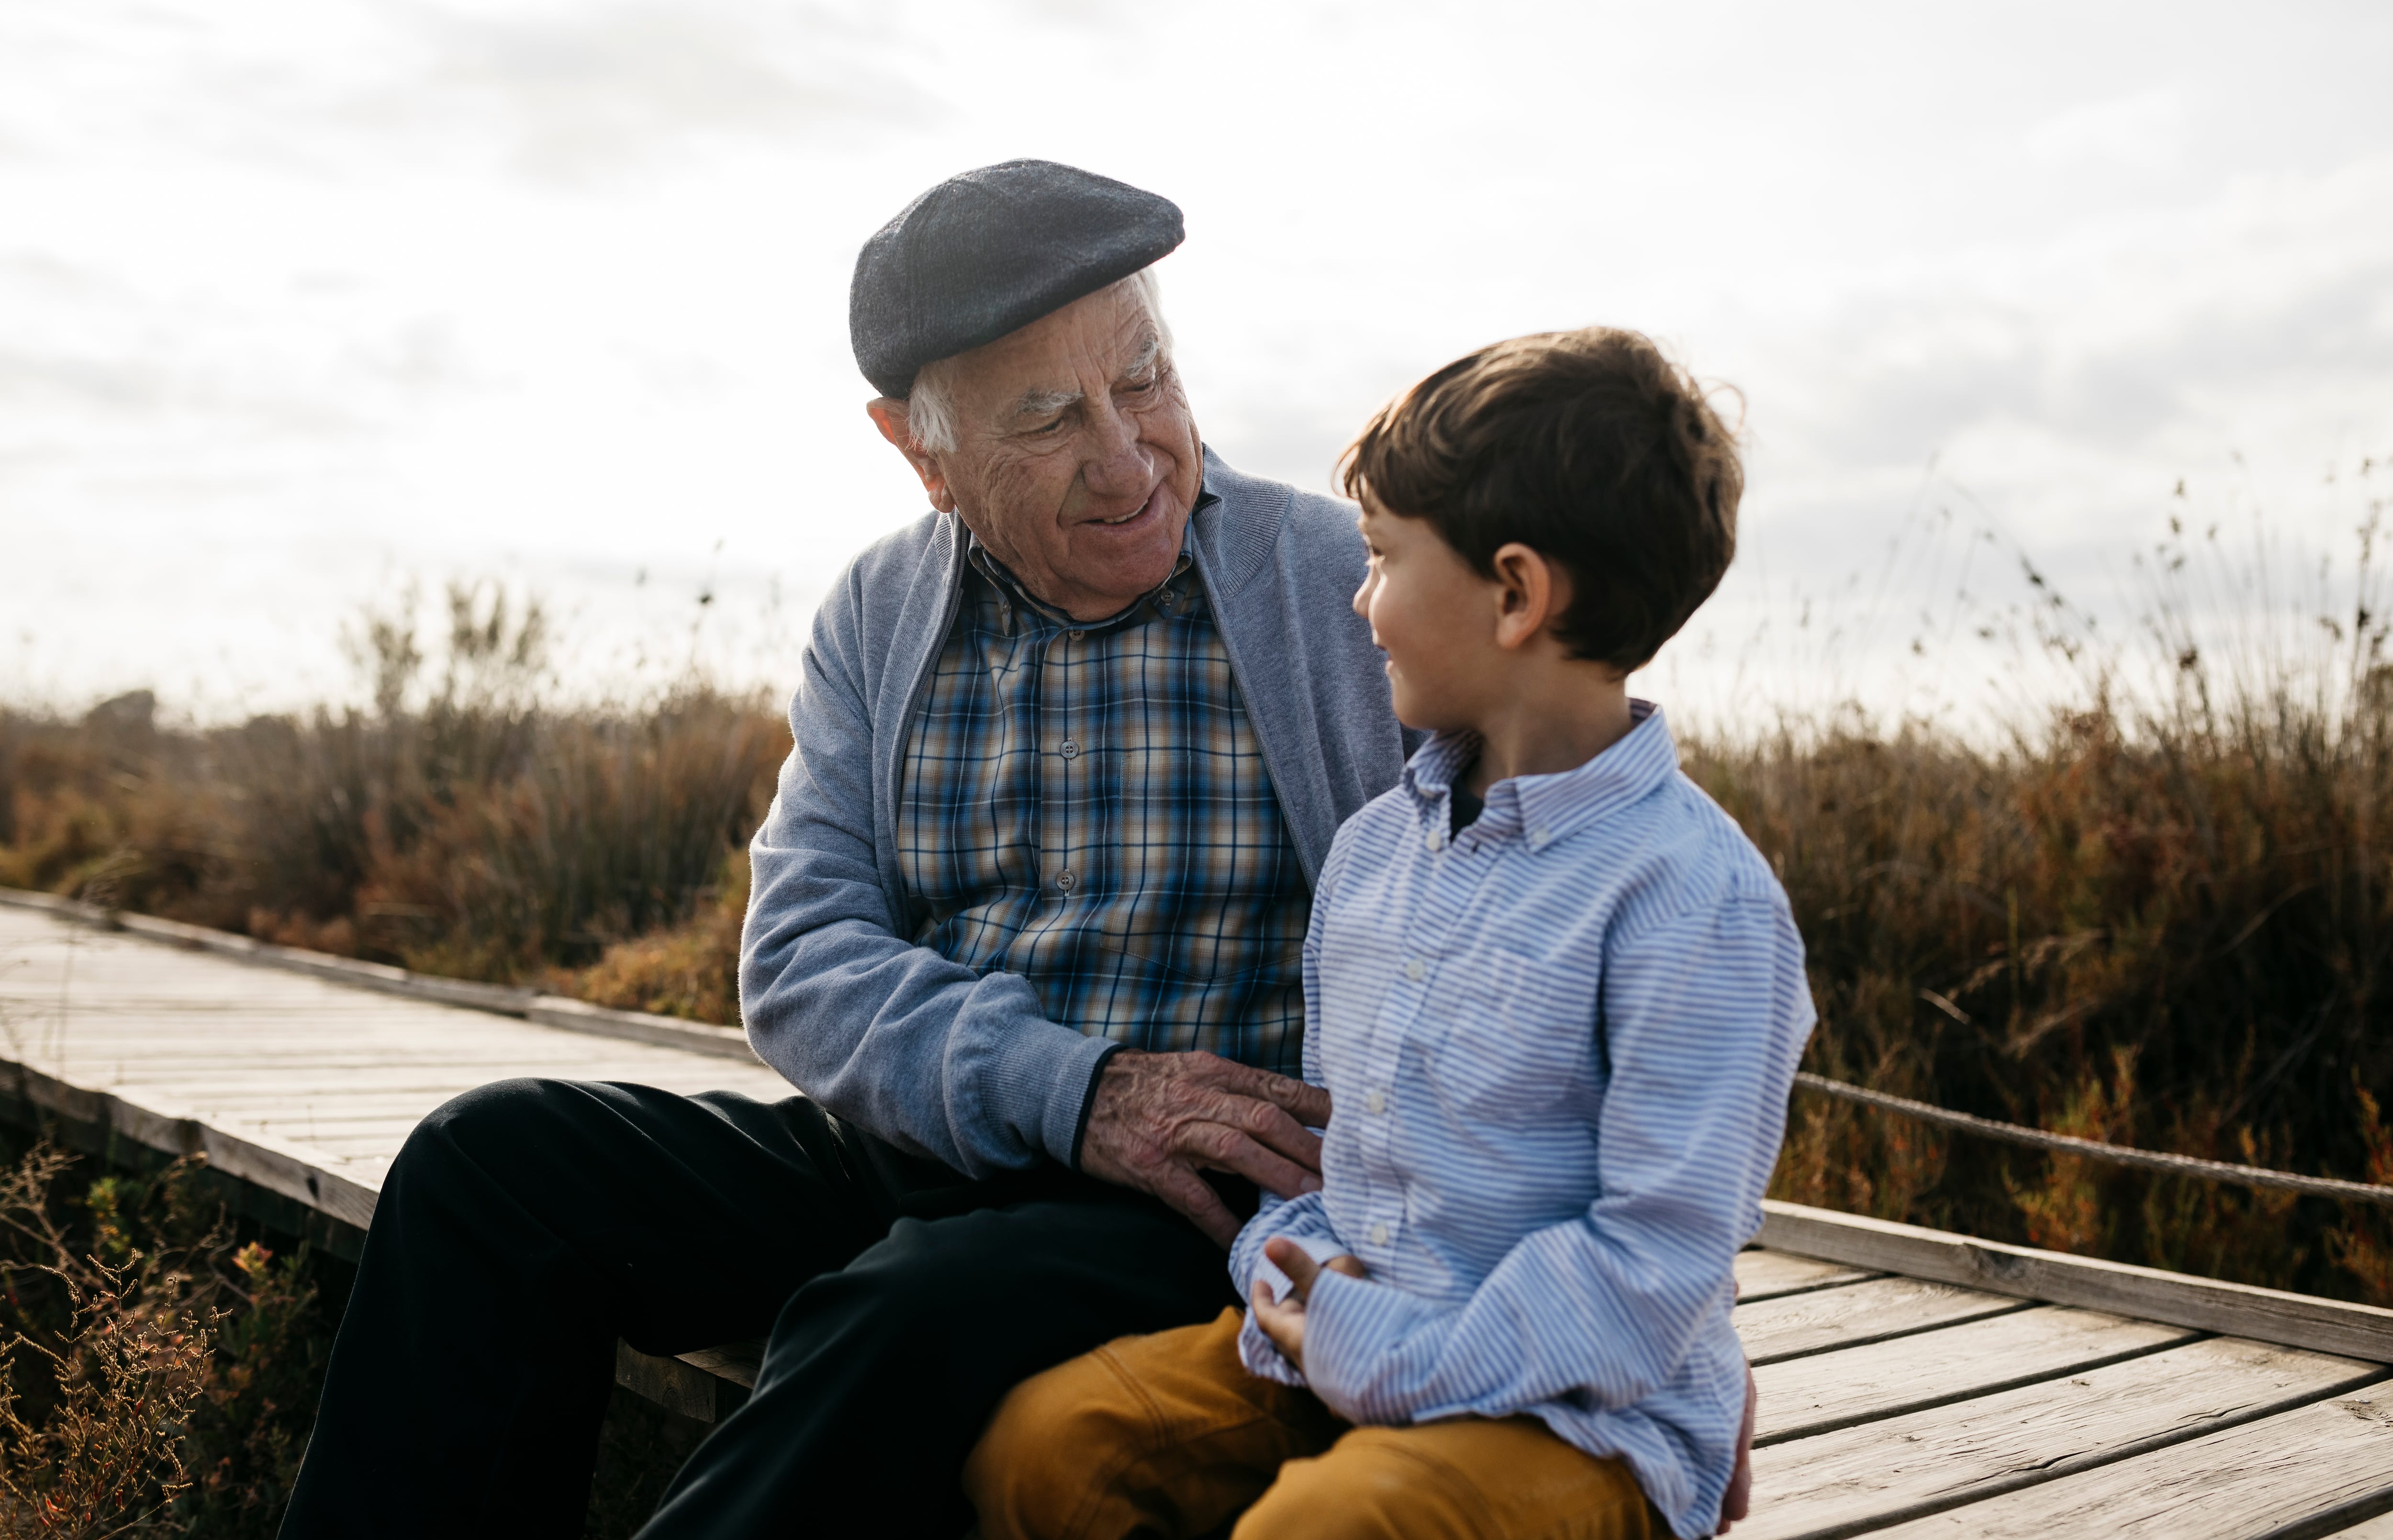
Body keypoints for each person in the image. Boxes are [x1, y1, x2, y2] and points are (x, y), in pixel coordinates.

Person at [278, 161, 1409, 1539]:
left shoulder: (1339, 586)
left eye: (1145, 378)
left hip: (1192, 1200)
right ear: (917, 448)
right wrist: (1074, 1083)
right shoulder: (880, 609)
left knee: (909, 1308)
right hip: (923, 1140)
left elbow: (1517, 892)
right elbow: (802, 958)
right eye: (1049, 417)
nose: (1125, 454)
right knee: (489, 1164)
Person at [963, 328, 1815, 1540]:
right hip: (1340, 1344)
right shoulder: (1372, 857)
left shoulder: (1694, 902)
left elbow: (1652, 1269)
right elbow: (1343, 1155)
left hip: (1579, 1424)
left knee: (1328, 1526)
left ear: (1515, 593)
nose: (1359, 600)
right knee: (1053, 1448)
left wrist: (1377, 1349)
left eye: (1380, 559)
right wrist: (1287, 1271)